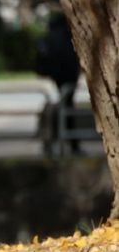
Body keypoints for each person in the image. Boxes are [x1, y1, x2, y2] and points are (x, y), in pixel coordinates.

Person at [36, 13, 81, 153]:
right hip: (67, 79)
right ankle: (72, 145)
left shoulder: (51, 36)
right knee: (67, 108)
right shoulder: (68, 36)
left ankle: (52, 143)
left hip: (51, 78)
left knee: (56, 108)